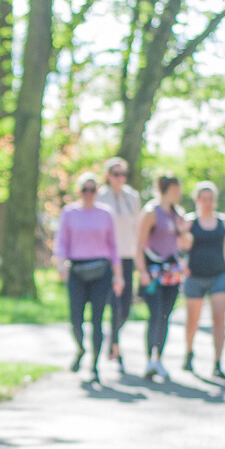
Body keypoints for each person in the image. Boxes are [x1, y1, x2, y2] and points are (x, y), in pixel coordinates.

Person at [53, 172, 124, 383]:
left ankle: (94, 364)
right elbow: (62, 241)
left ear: (97, 192)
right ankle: (81, 348)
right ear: (79, 191)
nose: (88, 194)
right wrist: (60, 264)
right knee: (76, 318)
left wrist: (118, 275)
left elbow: (113, 246)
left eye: (92, 190)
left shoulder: (106, 213)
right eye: (85, 189)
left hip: (101, 271)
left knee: (97, 319)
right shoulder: (69, 212)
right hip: (77, 269)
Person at [134, 174, 189, 381]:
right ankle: (150, 358)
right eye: (178, 188)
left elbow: (185, 244)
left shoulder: (178, 214)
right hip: (153, 271)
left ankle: (159, 359)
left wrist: (183, 230)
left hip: (172, 272)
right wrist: (142, 272)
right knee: (155, 314)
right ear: (170, 188)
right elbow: (139, 244)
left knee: (166, 316)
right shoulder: (151, 212)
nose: (180, 192)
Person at [181, 180, 225, 380]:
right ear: (197, 200)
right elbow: (180, 247)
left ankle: (218, 362)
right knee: (192, 320)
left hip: (218, 275)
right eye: (203, 199)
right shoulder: (189, 221)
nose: (207, 203)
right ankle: (189, 352)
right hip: (195, 276)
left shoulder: (224, 221)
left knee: (219, 318)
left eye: (210, 199)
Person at [94, 156, 142, 373]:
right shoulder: (100, 197)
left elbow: (137, 228)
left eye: (123, 174)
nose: (120, 178)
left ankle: (113, 338)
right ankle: (115, 347)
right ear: (108, 176)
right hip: (106, 258)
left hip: (127, 255)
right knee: (112, 303)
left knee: (125, 306)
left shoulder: (133, 197)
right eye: (116, 174)